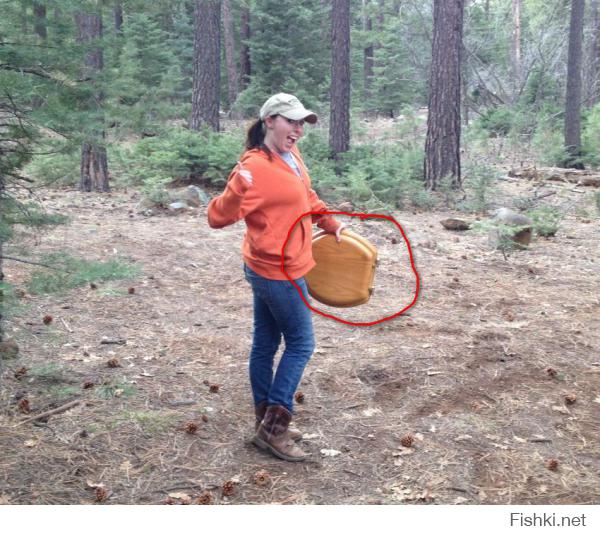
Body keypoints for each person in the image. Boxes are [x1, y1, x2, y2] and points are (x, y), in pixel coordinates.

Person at [207, 93, 344, 462]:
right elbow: (217, 217)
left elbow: (306, 195)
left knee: (265, 345)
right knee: (301, 344)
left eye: (302, 123)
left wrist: (328, 221)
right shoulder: (252, 168)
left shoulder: (290, 156)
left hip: (283, 264)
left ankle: (264, 422)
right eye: (291, 121)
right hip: (276, 271)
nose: (298, 129)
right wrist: (236, 188)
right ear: (269, 120)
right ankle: (274, 428)